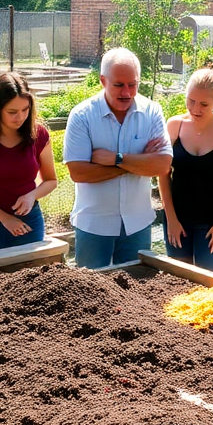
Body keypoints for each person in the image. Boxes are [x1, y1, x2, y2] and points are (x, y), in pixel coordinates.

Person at [63, 48, 172, 268]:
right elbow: (79, 172)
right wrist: (138, 162)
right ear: (103, 80)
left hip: (137, 223)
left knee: (135, 291)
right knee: (90, 293)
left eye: (133, 84)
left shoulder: (152, 112)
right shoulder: (82, 115)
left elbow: (162, 165)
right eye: (119, 85)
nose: (127, 92)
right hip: (94, 224)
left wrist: (116, 158)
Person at [160, 67, 213, 273]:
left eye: (204, 104)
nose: (195, 109)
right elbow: (163, 174)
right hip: (177, 219)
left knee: (207, 283)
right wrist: (171, 218)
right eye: (190, 101)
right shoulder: (174, 125)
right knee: (177, 282)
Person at [0, 73, 58, 254]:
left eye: (25, 109)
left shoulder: (39, 134)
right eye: (12, 112)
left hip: (28, 223)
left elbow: (51, 180)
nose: (20, 117)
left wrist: (32, 196)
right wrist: (4, 218)